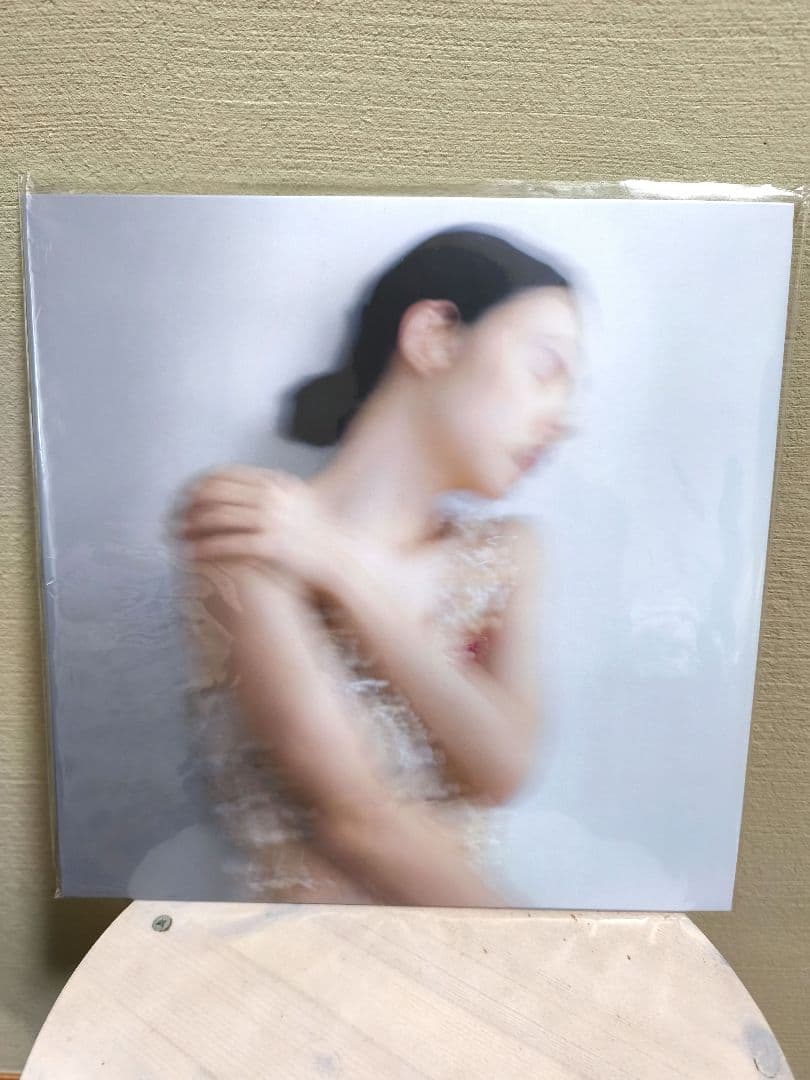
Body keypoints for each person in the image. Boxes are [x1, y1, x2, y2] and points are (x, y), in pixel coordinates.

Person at [172, 226, 581, 906]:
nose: (564, 417)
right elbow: (355, 822)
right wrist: (557, 963)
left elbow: (502, 771)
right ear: (433, 337)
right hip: (304, 959)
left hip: (462, 953)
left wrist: (342, 571)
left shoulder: (509, 554)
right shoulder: (247, 523)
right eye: (546, 368)